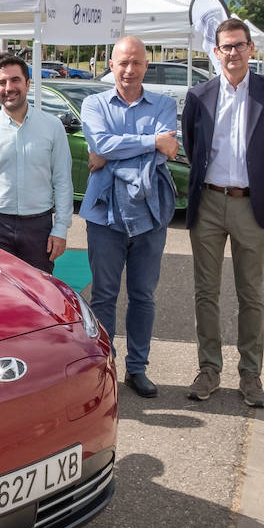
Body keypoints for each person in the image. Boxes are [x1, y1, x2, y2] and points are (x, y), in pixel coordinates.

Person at [182, 18, 264, 407]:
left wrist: (257, 179)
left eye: (239, 45)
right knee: (205, 293)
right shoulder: (199, 96)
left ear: (251, 49)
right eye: (226, 47)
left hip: (250, 203)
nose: (233, 52)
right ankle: (209, 369)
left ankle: (251, 375)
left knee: (251, 294)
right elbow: (193, 145)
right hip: (209, 203)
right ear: (216, 51)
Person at [79, 36, 179, 398]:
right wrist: (150, 142)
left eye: (136, 62)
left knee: (143, 296)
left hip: (150, 216)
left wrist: (115, 149)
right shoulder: (94, 103)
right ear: (111, 64)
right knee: (104, 295)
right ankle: (107, 367)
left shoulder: (165, 105)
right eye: (123, 62)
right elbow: (101, 144)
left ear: (146, 66)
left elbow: (164, 152)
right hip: (105, 217)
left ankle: (137, 368)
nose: (129, 69)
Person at [0, 55, 72, 273]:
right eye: (1, 83)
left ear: (28, 84)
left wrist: (61, 229)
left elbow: (62, 181)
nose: (9, 87)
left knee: (39, 295)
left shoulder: (52, 127)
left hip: (38, 228)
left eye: (15, 80)